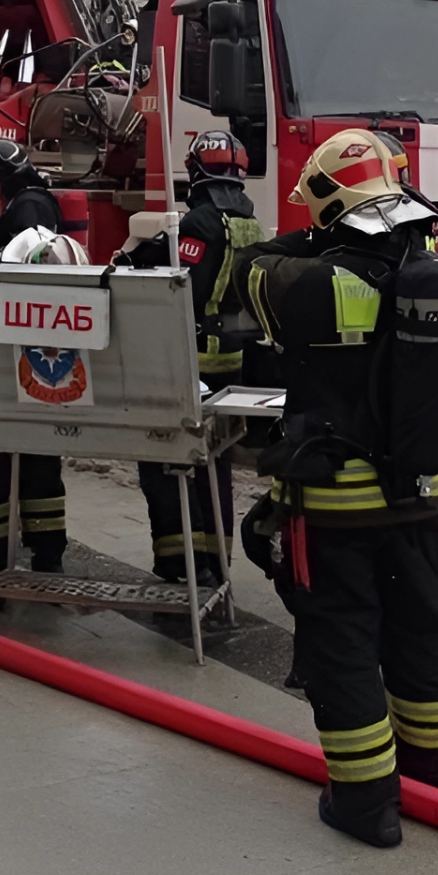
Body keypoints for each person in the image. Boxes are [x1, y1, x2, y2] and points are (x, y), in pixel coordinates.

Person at [239, 130, 438, 848]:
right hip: (419, 502)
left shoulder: (312, 284)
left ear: (327, 205)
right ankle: (436, 784)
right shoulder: (430, 270)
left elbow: (247, 268)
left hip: (335, 510)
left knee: (342, 645)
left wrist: (317, 231)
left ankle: (365, 804)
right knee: (421, 635)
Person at [118, 129, 264, 584]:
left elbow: (179, 286)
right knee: (214, 463)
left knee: (164, 461)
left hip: (188, 361)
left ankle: (177, 560)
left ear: (199, 170)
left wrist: (141, 260)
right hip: (231, 363)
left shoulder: (199, 223)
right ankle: (217, 562)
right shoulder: (250, 222)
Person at [0, 137, 70, 582]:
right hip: (33, 341)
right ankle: (44, 550)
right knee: (37, 452)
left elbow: (22, 267)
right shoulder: (33, 202)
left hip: (17, 342)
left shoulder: (27, 209)